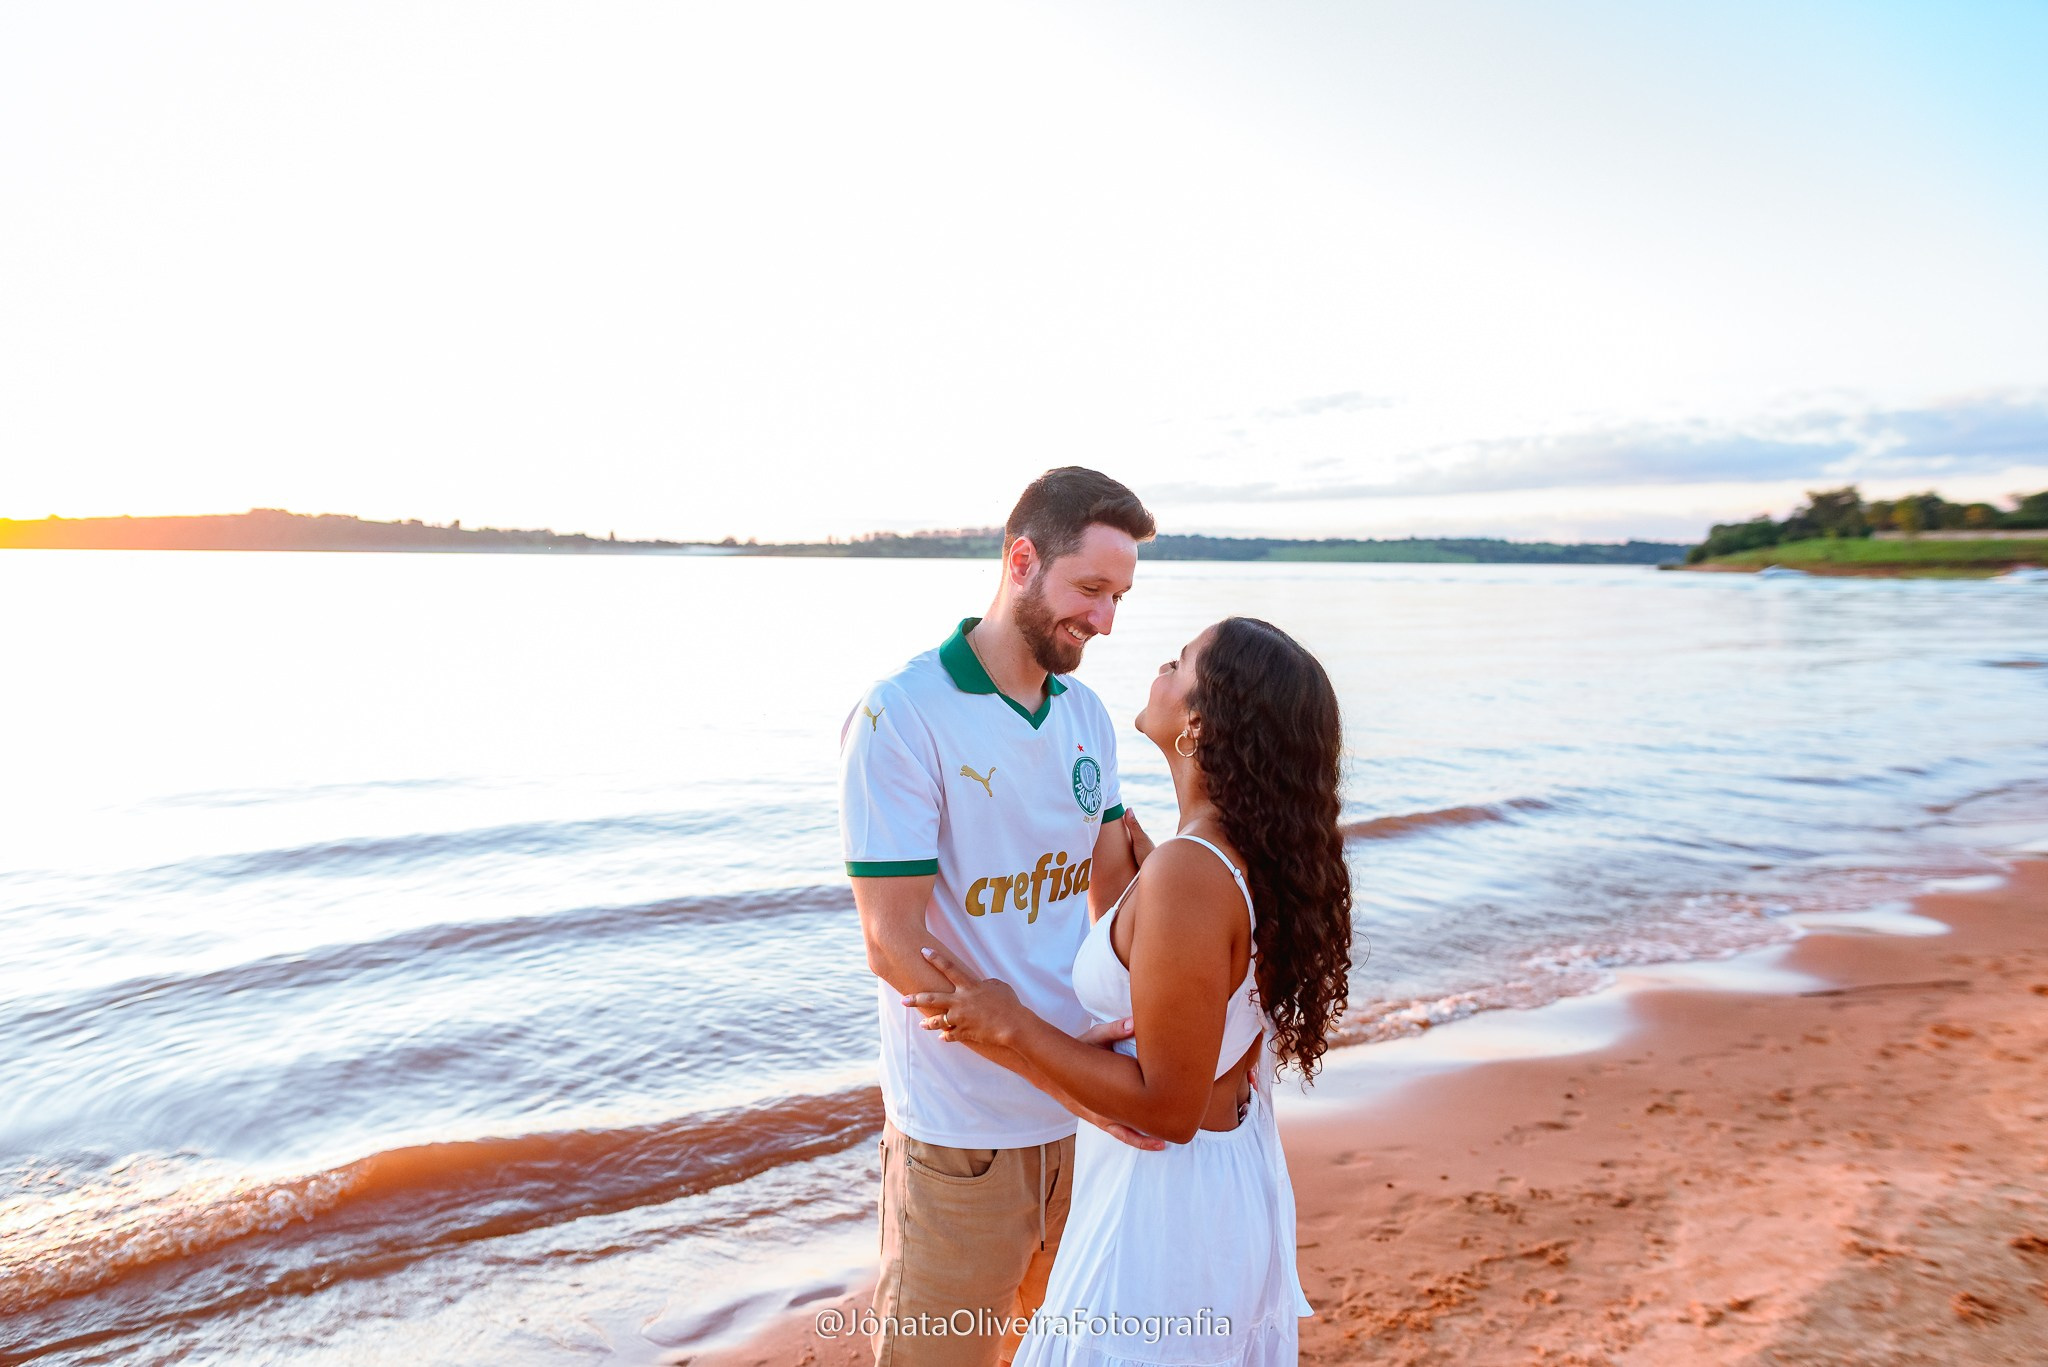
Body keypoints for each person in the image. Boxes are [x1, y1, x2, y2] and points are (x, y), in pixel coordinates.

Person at [910, 617, 1353, 1367]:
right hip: (1223, 1172)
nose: (1159, 664)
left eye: (1178, 663)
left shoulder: (1190, 871)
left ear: (1199, 722)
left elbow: (1166, 1109)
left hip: (1165, 1202)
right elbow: (1119, 895)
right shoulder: (1241, 849)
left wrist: (1012, 1024)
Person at [839, 467, 1161, 1367]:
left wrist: (1148, 1056)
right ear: (1023, 560)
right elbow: (891, 943)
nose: (1105, 620)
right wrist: (1054, 1072)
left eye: (1119, 596)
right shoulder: (902, 715)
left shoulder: (1087, 716)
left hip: (1085, 1120)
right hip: (961, 1139)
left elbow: (1113, 905)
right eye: (1091, 590)